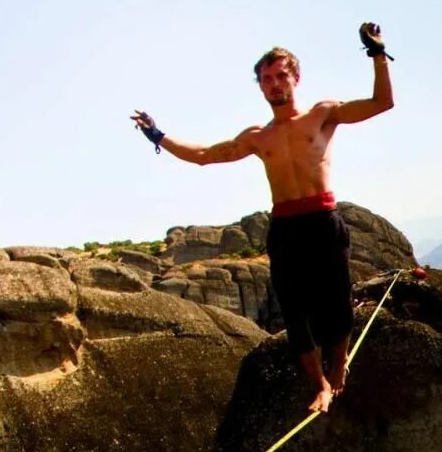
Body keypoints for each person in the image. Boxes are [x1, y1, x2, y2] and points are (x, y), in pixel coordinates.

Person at [131, 24, 395, 413]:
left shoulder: (323, 114)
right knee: (294, 310)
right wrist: (159, 136)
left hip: (323, 219)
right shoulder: (259, 136)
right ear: (260, 86)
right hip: (286, 226)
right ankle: (320, 386)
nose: (274, 84)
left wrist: (377, 53)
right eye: (266, 79)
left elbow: (381, 102)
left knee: (336, 301)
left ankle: (339, 366)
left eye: (281, 75)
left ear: (296, 77)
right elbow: (205, 154)